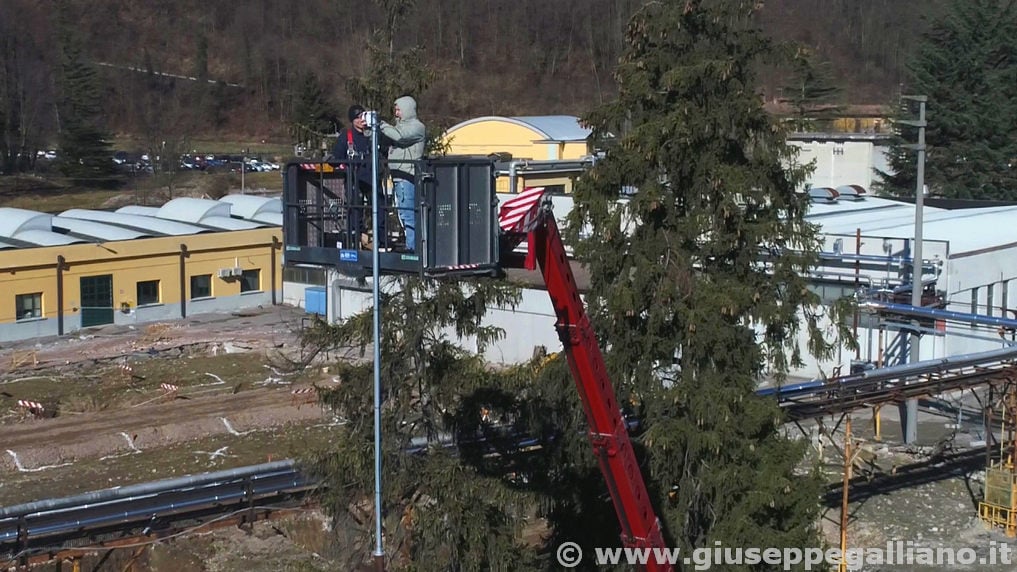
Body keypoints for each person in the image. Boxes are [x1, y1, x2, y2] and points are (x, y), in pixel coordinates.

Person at [332, 104, 387, 249]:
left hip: (372, 177)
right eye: (357, 118)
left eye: (363, 116)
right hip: (354, 177)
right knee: (355, 206)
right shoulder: (347, 136)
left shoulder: (373, 134)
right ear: (352, 120)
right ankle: (356, 238)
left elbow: (386, 149)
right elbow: (337, 157)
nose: (361, 120)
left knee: (379, 206)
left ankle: (381, 239)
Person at [379, 96, 426, 252]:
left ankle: (414, 248)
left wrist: (380, 124)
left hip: (408, 176)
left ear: (407, 109)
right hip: (399, 176)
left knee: (408, 213)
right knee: (403, 213)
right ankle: (411, 244)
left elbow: (400, 136)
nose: (396, 113)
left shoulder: (417, 127)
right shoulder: (398, 127)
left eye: (399, 109)